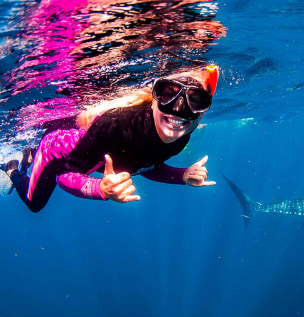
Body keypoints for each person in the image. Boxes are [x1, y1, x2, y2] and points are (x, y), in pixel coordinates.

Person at [0, 65, 219, 213]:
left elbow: (146, 165)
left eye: (196, 101)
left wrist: (182, 176)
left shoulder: (180, 136)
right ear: (153, 99)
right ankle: (13, 169)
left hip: (90, 151)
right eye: (167, 95)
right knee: (35, 203)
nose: (179, 111)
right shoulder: (117, 126)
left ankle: (28, 155)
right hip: (56, 152)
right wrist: (99, 189)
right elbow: (65, 174)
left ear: (202, 113)